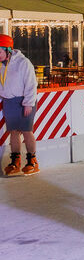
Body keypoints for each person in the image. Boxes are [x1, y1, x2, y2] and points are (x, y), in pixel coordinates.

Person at [1, 34, 40, 176]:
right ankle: (15, 162)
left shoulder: (23, 63)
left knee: (26, 131)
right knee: (13, 132)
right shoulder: (0, 65)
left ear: (8, 50)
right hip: (8, 102)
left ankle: (32, 162)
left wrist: (28, 103)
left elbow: (31, 84)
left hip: (25, 101)